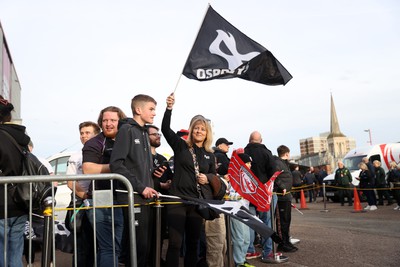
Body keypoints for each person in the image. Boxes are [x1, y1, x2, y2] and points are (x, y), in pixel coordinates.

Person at [161, 93, 217, 267]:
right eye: (196, 128)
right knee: (175, 244)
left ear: (207, 133)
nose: (199, 131)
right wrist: (169, 108)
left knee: (193, 244)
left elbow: (214, 177)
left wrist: (207, 178)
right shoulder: (181, 146)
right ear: (191, 130)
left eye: (202, 129)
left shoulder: (210, 154)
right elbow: (165, 129)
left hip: (196, 202)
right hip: (177, 200)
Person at [110, 94, 159, 267]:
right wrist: (140, 187)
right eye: (151, 109)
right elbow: (116, 164)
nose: (154, 113)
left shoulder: (145, 133)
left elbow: (141, 168)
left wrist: (154, 181)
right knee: (136, 249)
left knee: (145, 247)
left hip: (145, 198)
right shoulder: (127, 130)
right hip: (133, 198)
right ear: (138, 110)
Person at [82, 106, 127, 267]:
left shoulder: (125, 139)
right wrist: (117, 167)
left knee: (111, 248)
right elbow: (88, 169)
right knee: (110, 248)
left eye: (113, 120)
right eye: (105, 120)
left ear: (120, 122)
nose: (108, 124)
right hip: (102, 199)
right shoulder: (95, 142)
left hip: (122, 198)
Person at [0, 96, 31, 266]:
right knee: (15, 250)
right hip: (20, 199)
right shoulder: (21, 138)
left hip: (1, 202)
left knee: (1, 251)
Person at [66, 121, 100, 267]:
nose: (84, 136)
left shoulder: (104, 152)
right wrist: (85, 196)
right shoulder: (75, 156)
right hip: (81, 203)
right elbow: (70, 182)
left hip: (100, 202)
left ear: (96, 135)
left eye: (88, 133)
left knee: (101, 243)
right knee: (81, 245)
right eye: (82, 133)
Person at [244, 131, 276, 261]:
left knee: (251, 222)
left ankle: (250, 250)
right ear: (261, 140)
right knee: (266, 223)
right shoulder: (267, 153)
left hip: (249, 194)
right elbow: (273, 172)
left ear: (249, 140)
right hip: (263, 194)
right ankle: (267, 251)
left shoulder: (244, 153)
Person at [230, 153, 255, 267]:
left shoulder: (248, 177)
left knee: (246, 238)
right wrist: (238, 196)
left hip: (245, 210)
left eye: (250, 163)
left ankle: (243, 259)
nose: (249, 165)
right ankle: (238, 262)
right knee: (239, 238)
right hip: (236, 210)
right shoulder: (234, 176)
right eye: (247, 163)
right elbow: (229, 194)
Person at [275, 145, 298, 253]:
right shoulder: (278, 163)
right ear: (287, 153)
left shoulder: (285, 164)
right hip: (281, 198)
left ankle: (286, 241)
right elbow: (274, 177)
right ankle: (282, 243)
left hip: (287, 197)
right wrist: (282, 187)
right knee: (282, 222)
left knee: (287, 221)